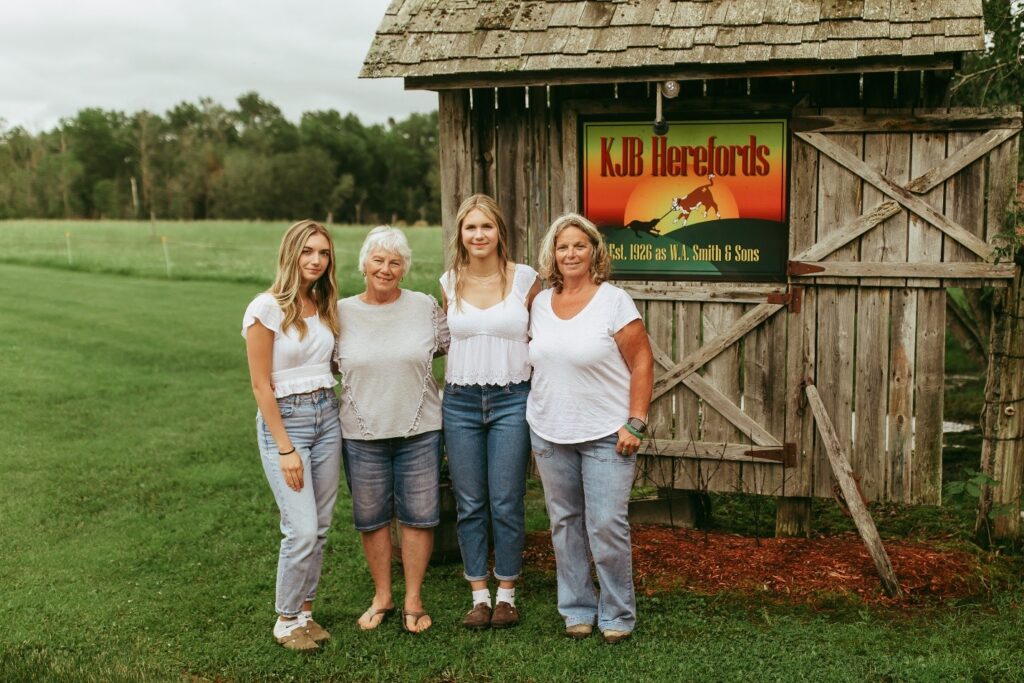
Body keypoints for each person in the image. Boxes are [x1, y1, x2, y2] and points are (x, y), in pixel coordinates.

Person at [527, 213, 653, 645]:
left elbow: (641, 361)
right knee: (564, 523)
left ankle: (617, 612)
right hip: (548, 430)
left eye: (579, 245)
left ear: (594, 251)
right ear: (552, 255)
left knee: (606, 526)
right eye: (563, 247)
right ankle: (577, 608)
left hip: (607, 433)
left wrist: (635, 420)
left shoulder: (614, 300)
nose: (571, 254)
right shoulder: (540, 303)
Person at [335, 225, 449, 634]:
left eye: (395, 262)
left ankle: (413, 598)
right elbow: (328, 361)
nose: (386, 268)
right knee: (372, 518)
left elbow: (451, 345)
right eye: (378, 260)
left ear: (405, 269)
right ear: (364, 264)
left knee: (419, 517)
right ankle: (382, 595)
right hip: (361, 433)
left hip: (420, 431)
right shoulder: (341, 312)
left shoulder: (424, 307)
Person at [440, 195, 541, 630]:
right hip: (460, 402)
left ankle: (507, 594)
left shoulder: (525, 280)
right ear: (460, 235)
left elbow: (546, 335)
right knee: (470, 502)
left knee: (506, 499)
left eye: (486, 226)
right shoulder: (448, 282)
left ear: (500, 231)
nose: (478, 235)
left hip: (512, 399)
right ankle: (478, 595)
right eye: (470, 228)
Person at [243, 219, 343, 652]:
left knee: (319, 527)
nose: (316, 260)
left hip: (327, 416)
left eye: (323, 253)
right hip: (287, 423)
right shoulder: (265, 308)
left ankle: (305, 612)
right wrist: (285, 448)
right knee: (300, 528)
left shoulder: (322, 305)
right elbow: (261, 384)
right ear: (291, 253)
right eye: (308, 251)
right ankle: (285, 621)